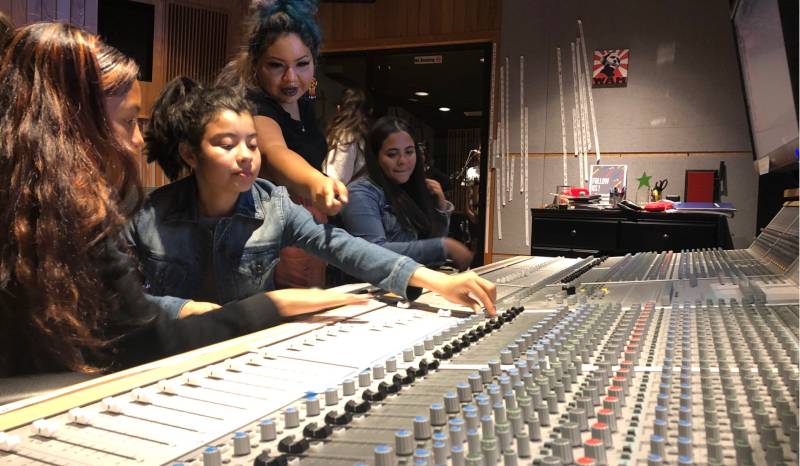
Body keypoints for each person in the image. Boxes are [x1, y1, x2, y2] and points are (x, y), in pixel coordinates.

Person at [0, 23, 335, 376]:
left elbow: (127, 322)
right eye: (129, 122)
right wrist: (268, 308)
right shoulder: (101, 213)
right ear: (70, 125)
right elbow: (144, 339)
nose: (138, 141)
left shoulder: (74, 209)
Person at [126, 76, 495, 321]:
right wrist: (187, 310)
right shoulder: (147, 214)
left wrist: (436, 281)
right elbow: (116, 299)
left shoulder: (276, 205)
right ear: (191, 154)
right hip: (171, 356)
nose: (246, 155)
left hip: (247, 350)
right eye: (227, 144)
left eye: (253, 144)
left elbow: (348, 249)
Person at [231, 0, 339, 289]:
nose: (291, 78)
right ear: (256, 65)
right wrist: (317, 181)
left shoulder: (303, 105)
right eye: (276, 66)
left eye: (302, 64)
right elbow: (276, 152)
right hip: (277, 236)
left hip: (311, 231)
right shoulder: (256, 107)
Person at [341, 117, 474, 270]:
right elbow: (372, 254)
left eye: (409, 152)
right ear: (375, 157)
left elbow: (433, 261)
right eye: (392, 154)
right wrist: (442, 247)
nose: (403, 160)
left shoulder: (409, 187)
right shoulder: (360, 193)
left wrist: (441, 208)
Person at [323, 88, 370, 184]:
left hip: (344, 194)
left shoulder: (344, 137)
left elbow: (337, 178)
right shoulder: (365, 134)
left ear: (339, 108)